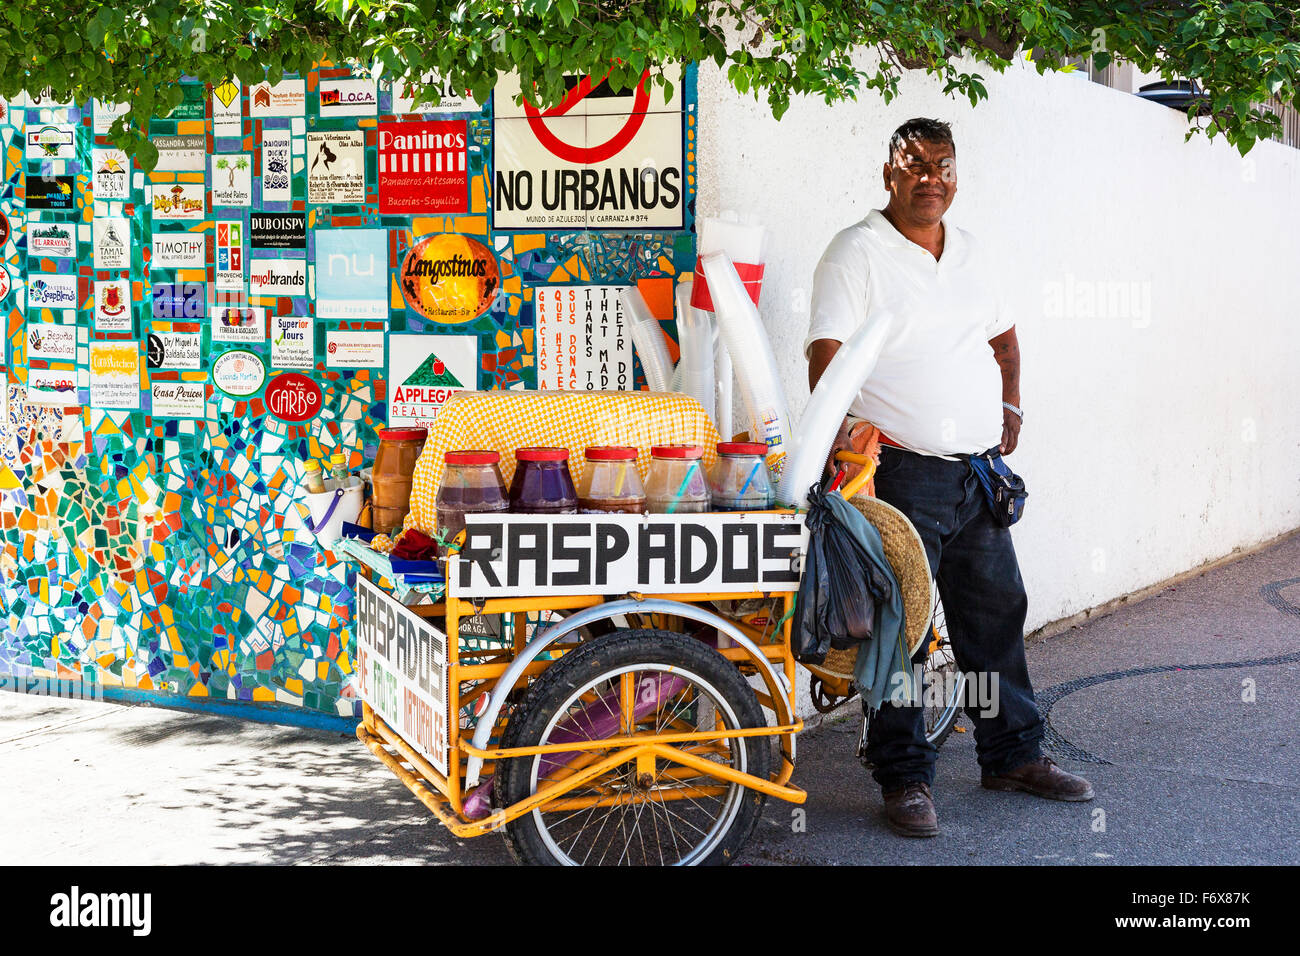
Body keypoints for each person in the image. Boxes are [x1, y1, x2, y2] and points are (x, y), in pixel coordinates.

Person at [805, 117, 1093, 838]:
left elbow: (1005, 339)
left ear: (955, 176)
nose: (931, 176)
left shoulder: (972, 253)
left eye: (944, 164)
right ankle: (904, 777)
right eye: (915, 163)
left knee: (994, 615)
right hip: (897, 470)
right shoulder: (856, 253)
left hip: (975, 473)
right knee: (901, 629)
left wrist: (1011, 403)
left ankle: (1011, 754)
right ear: (889, 174)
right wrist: (840, 439)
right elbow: (826, 356)